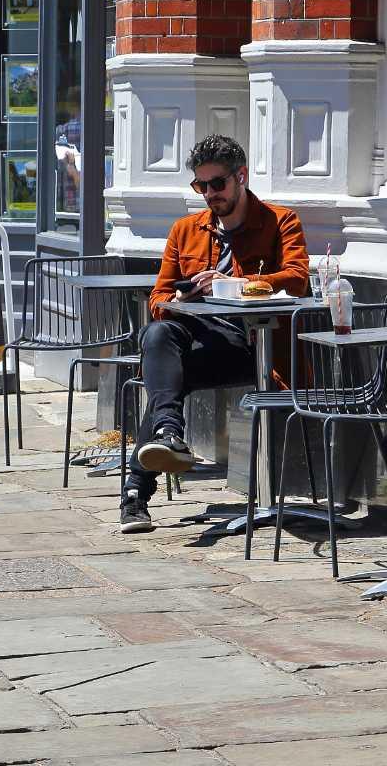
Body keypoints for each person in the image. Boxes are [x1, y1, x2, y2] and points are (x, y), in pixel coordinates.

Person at [123, 135, 310, 534]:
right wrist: (182, 295)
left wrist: (236, 284)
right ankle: (168, 435)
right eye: (201, 185)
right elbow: (158, 298)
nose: (210, 194)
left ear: (241, 176)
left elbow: (297, 279)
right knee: (158, 336)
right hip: (197, 340)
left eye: (217, 184)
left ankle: (137, 491)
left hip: (254, 347)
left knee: (165, 382)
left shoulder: (280, 221)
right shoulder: (185, 230)